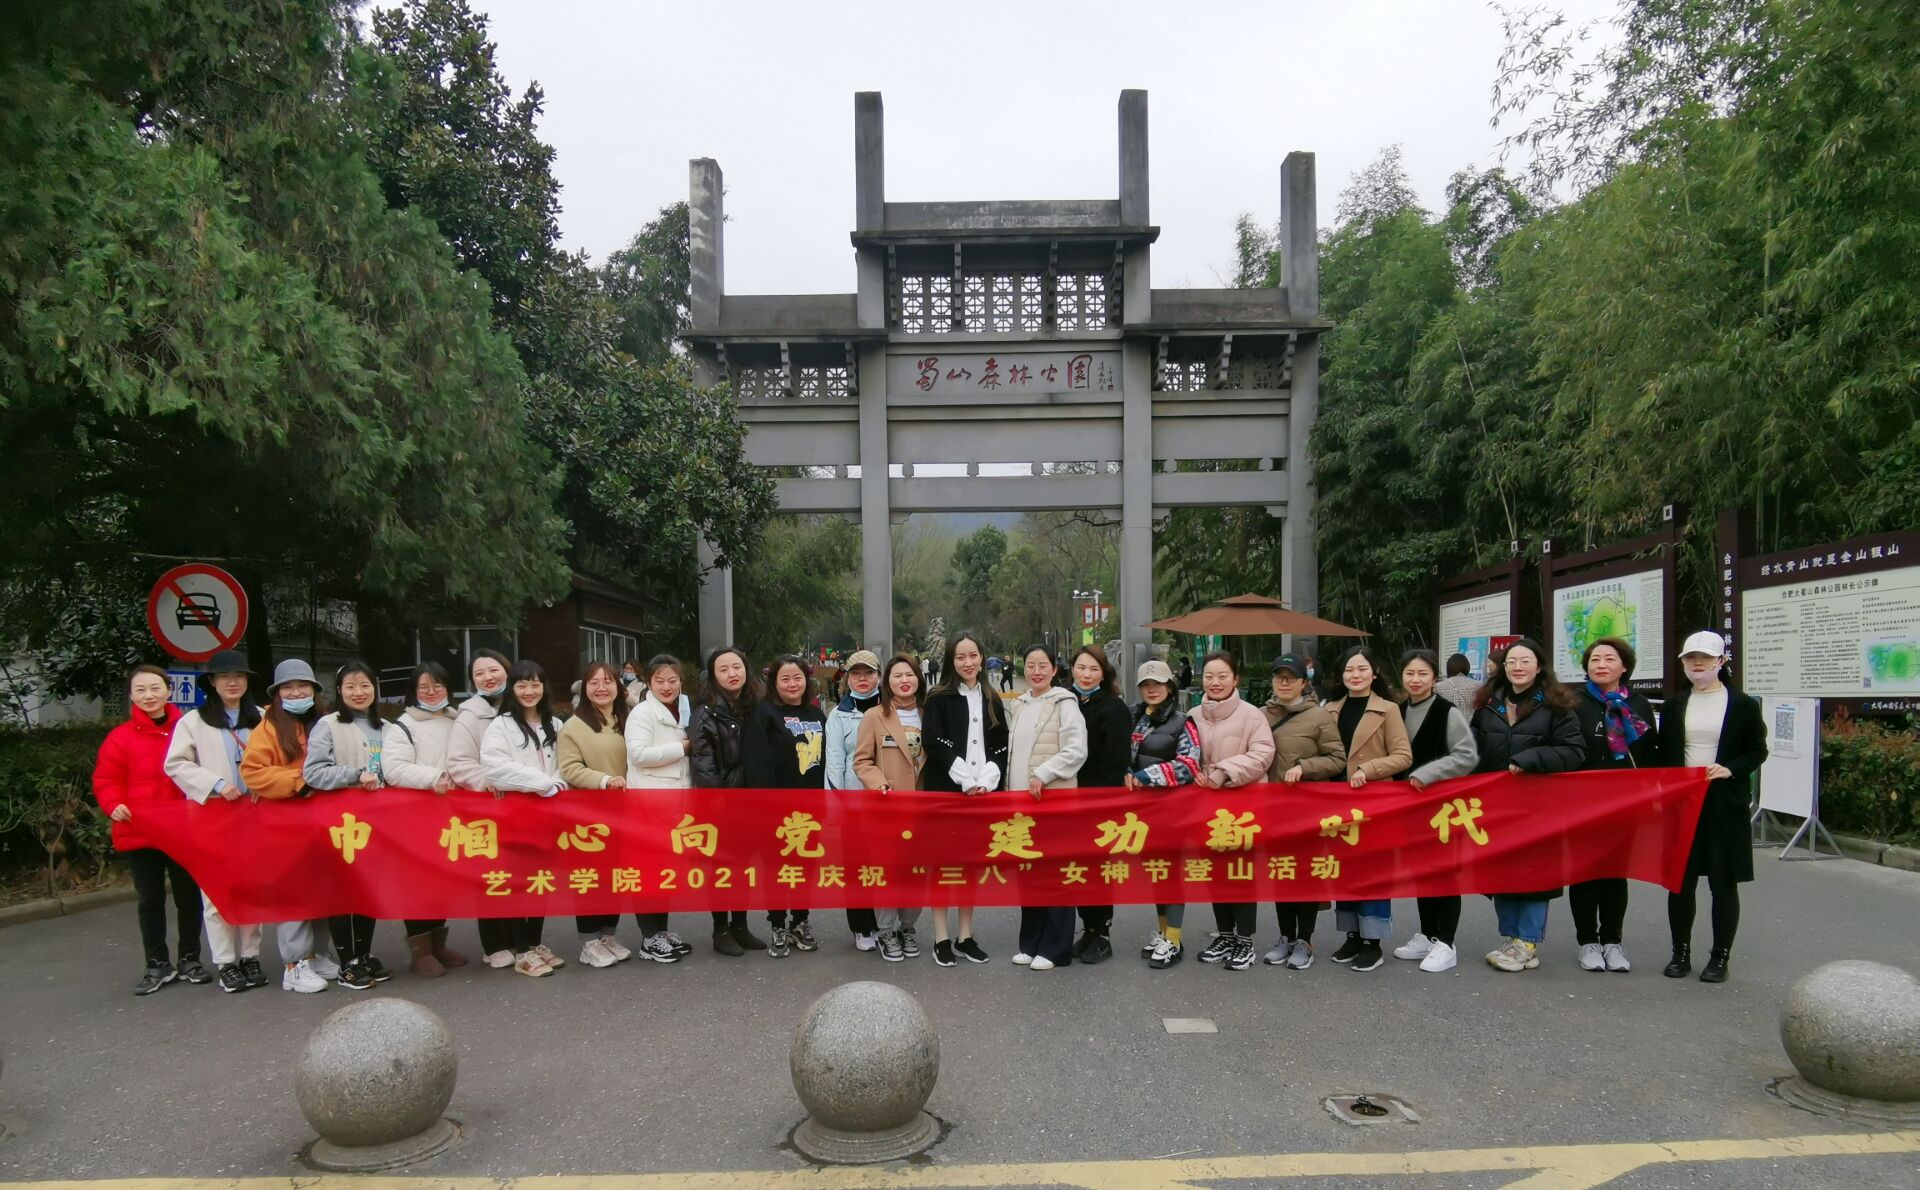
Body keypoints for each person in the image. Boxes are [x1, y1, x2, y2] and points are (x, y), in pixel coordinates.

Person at [1468, 636, 1587, 972]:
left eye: (1525, 661)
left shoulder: (1556, 705)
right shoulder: (1488, 705)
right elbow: (1471, 748)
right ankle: (1511, 939)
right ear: (1502, 668)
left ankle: (1527, 942)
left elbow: (1574, 752)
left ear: (1539, 666)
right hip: (1496, 806)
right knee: (1502, 873)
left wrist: (1531, 758)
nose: (1518, 667)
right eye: (1511, 662)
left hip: (1538, 808)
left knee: (1534, 874)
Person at [1657, 631, 1765, 984]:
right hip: (1682, 803)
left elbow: (1757, 750)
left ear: (1721, 661)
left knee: (1723, 883)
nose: (1698, 663)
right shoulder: (1674, 705)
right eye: (1691, 658)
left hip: (1724, 804)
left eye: (1705, 657)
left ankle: (1720, 957)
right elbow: (1663, 754)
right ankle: (1680, 953)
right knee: (1680, 883)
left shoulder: (1743, 705)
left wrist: (1731, 769)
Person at [95, 664, 207, 996]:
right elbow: (106, 779)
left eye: (155, 688)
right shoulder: (120, 737)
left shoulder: (188, 729)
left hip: (183, 828)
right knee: (150, 899)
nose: (148, 696)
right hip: (139, 829)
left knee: (189, 896)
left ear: (169, 691)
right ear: (131, 695)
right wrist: (113, 803)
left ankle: (190, 958)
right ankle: (157, 963)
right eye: (140, 690)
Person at [163, 649, 268, 993]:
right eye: (224, 677)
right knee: (216, 890)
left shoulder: (262, 717)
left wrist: (267, 785)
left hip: (254, 814)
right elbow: (176, 764)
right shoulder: (193, 721)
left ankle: (250, 955)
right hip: (213, 815)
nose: (232, 682)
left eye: (238, 676)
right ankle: (226, 962)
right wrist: (217, 785)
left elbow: (279, 758)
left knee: (252, 886)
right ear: (212, 682)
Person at [239, 659, 341, 993]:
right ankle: (294, 965)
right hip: (286, 825)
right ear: (277, 693)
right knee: (295, 892)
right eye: (288, 687)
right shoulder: (268, 727)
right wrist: (300, 780)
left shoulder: (327, 722)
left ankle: (318, 955)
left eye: (302, 686)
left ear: (314, 690)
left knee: (324, 890)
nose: (296, 692)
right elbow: (253, 772)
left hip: (324, 821)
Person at [300, 660, 394, 990]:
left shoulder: (387, 727)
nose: (359, 692)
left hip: (378, 822)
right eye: (350, 686)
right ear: (339, 690)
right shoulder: (327, 725)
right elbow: (313, 773)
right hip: (340, 823)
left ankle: (363, 954)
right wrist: (354, 775)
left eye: (365, 685)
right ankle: (347, 962)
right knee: (342, 890)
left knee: (369, 888)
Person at [1568, 637, 1660, 974]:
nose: (1601, 664)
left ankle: (1612, 941)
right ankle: (1587, 942)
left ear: (1624, 666)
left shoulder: (1638, 704)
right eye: (1594, 659)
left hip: (1625, 802)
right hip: (1581, 802)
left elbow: (1650, 753)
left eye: (1609, 658)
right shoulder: (1573, 701)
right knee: (1583, 872)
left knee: (1615, 872)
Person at [1321, 645, 1413, 972]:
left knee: (1373, 872)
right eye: (1349, 669)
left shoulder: (1388, 710)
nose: (1355, 675)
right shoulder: (1329, 709)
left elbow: (1403, 756)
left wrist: (1368, 769)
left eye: (1361, 669)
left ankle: (1372, 942)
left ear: (1374, 673)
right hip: (1336, 805)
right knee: (1345, 870)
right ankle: (1352, 935)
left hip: (1373, 804)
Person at [1390, 648, 1481, 973]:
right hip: (1408, 809)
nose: (1415, 680)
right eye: (1410, 673)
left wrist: (1428, 773)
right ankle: (1428, 935)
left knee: (1444, 872)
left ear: (1435, 678)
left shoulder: (1447, 712)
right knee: (1421, 872)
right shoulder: (1397, 711)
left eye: (1423, 674)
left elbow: (1467, 755)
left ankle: (1446, 942)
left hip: (1442, 806)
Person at [379, 661, 470, 977]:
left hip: (451, 815)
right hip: (417, 815)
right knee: (417, 883)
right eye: (424, 687)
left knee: (444, 880)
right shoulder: (403, 726)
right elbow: (394, 770)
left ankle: (438, 942)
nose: (432, 692)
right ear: (413, 691)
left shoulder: (457, 721)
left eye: (437, 685)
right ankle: (420, 950)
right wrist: (435, 777)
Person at [922, 633, 1006, 966]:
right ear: (951, 662)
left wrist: (985, 780)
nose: (968, 662)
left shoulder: (991, 697)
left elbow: (1000, 745)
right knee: (942, 865)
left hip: (982, 796)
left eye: (973, 655)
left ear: (982, 658)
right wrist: (965, 779)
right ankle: (941, 937)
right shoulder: (938, 697)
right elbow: (933, 740)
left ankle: (966, 935)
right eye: (960, 657)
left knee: (970, 865)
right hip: (945, 793)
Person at [1190, 650, 1277, 972]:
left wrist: (1222, 772)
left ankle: (1245, 941)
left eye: (1222, 676)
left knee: (1241, 873)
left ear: (1235, 679)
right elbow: (1186, 754)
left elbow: (1263, 754)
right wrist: (1192, 772)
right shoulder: (1193, 715)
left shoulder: (1252, 715)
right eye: (1209, 676)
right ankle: (1225, 935)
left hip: (1244, 808)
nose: (1215, 682)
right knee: (1216, 873)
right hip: (1207, 808)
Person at [1260, 652, 1347, 969]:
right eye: (1278, 677)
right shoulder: (1261, 715)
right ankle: (1285, 936)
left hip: (1307, 809)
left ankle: (1304, 941)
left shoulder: (1319, 716)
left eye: (1290, 678)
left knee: (1306, 875)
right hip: (1272, 809)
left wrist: (1304, 767)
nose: (1283, 683)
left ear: (1303, 683)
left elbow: (1338, 759)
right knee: (1282, 873)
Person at [479, 659, 564, 976]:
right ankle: (522, 951)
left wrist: (557, 784)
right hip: (514, 819)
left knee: (540, 882)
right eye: (522, 685)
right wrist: (544, 784)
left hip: (548, 818)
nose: (530, 691)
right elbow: (495, 769)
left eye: (535, 684)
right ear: (512, 689)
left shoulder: (556, 725)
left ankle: (535, 941)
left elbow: (566, 765)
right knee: (517, 883)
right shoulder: (500, 726)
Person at [1006, 644, 1087, 971]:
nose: (1036, 671)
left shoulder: (1064, 703)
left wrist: (1044, 773)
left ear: (1055, 669)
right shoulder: (1020, 704)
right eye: (1030, 665)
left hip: (1054, 803)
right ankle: (1030, 943)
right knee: (1029, 874)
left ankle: (1055, 948)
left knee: (1056, 874)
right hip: (1021, 806)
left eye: (1043, 665)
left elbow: (1076, 750)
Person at [444, 648, 523, 968]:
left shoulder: (521, 704)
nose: (488, 677)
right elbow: (458, 762)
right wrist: (488, 781)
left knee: (521, 875)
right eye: (479, 673)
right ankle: (494, 944)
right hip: (487, 808)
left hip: (521, 805)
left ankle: (520, 939)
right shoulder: (469, 716)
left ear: (507, 671)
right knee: (492, 876)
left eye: (494, 670)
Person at [558, 660, 638, 969]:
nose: (602, 688)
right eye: (594, 682)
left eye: (608, 681)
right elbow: (570, 768)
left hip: (625, 813)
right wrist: (605, 780)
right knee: (590, 878)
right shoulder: (574, 726)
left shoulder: (627, 719)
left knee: (615, 876)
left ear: (619, 686)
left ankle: (608, 936)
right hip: (589, 815)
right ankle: (589, 942)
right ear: (584, 688)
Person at [747, 655, 828, 957]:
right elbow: (756, 762)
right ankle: (778, 925)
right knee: (776, 869)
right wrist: (766, 805)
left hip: (811, 808)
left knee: (805, 867)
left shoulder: (817, 715)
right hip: (776, 809)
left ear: (806, 680)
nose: (792, 684)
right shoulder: (764, 713)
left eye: (797, 678)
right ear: (774, 682)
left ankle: (800, 922)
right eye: (785, 679)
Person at [690, 646, 768, 956]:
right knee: (722, 868)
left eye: (737, 667)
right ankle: (720, 929)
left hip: (752, 800)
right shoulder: (705, 713)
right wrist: (718, 803)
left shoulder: (756, 707)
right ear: (713, 676)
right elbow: (703, 764)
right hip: (722, 804)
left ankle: (740, 925)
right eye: (723, 669)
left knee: (744, 867)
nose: (732, 674)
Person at [1125, 660, 1203, 968]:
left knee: (1171, 873)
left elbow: (1189, 764)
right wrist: (1125, 771)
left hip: (1172, 810)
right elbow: (1121, 752)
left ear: (1169, 686)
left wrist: (1147, 776)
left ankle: (1174, 938)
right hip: (1141, 812)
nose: (1151, 689)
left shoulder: (1183, 722)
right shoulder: (1133, 716)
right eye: (1146, 684)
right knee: (1157, 872)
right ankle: (1163, 933)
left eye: (1157, 683)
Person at [853, 654, 929, 962]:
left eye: (909, 674)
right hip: (887, 808)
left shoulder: (929, 713)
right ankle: (885, 930)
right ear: (887, 682)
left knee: (916, 873)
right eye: (897, 676)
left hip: (922, 811)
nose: (904, 680)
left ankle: (907, 927)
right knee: (886, 871)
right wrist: (878, 783)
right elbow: (862, 761)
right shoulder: (874, 716)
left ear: (919, 679)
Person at [622, 654, 694, 962]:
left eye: (672, 680)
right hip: (648, 805)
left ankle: (661, 931)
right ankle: (649, 938)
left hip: (673, 805)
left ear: (680, 682)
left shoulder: (681, 709)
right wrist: (683, 747)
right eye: (659, 681)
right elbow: (638, 755)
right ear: (649, 682)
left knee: (664, 872)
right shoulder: (642, 713)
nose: (667, 686)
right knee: (646, 872)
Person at [1069, 645, 1132, 965]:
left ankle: (1102, 932)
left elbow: (1116, 762)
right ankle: (1088, 928)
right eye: (1081, 668)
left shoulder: (1114, 708)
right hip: (1067, 799)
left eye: (1094, 669)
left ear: (1104, 674)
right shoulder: (1066, 701)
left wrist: (1098, 800)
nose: (1086, 674)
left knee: (1098, 868)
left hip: (1099, 802)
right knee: (1078, 868)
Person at [825, 650, 885, 952]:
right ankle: (862, 926)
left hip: (887, 801)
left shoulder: (892, 708)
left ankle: (887, 924)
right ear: (847, 678)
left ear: (879, 676)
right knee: (857, 867)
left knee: (886, 864)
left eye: (869, 673)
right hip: (853, 803)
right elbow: (834, 761)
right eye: (856, 673)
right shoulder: (838, 715)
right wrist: (836, 806)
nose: (863, 679)